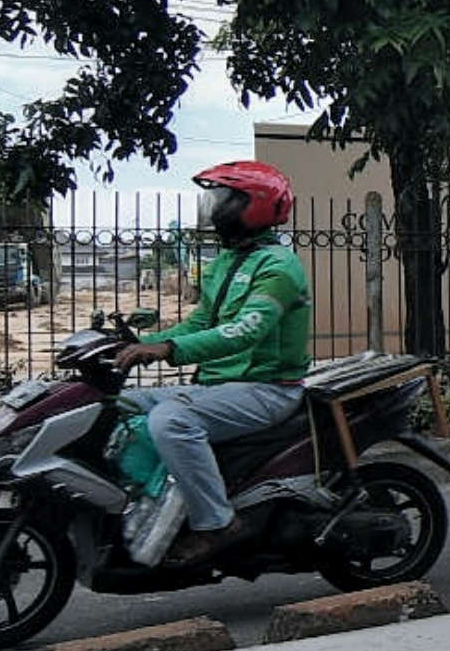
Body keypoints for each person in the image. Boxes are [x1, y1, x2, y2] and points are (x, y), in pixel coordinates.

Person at [116, 161, 313, 565]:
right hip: (220, 387)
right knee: (121, 407)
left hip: (267, 389)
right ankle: (149, 506)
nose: (215, 209)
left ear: (254, 206)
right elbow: (202, 321)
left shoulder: (279, 266)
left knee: (171, 421)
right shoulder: (227, 261)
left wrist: (168, 350)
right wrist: (139, 343)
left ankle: (218, 522)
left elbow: (244, 331)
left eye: (224, 199)